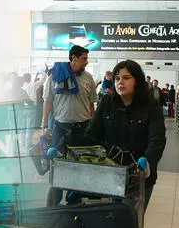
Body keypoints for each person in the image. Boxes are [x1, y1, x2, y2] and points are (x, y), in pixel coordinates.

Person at [86, 60, 166, 209]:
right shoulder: (107, 102)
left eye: (126, 78)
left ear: (137, 81)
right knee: (115, 220)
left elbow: (157, 139)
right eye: (117, 78)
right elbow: (93, 133)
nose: (120, 82)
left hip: (139, 177)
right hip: (113, 174)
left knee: (131, 222)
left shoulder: (150, 105)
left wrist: (147, 162)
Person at [41, 45, 98, 205]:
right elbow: (48, 102)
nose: (86, 62)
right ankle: (54, 201)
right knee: (57, 164)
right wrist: (44, 125)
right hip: (60, 128)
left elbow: (91, 104)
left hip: (83, 128)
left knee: (79, 165)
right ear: (73, 58)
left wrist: (93, 128)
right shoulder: (55, 76)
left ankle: (74, 200)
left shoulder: (88, 78)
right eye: (84, 58)